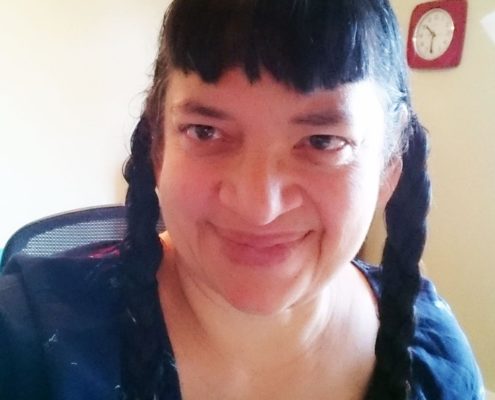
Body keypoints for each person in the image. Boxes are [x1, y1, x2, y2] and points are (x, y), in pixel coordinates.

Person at [0, 0, 485, 399]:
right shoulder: (28, 341)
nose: (259, 206)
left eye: (322, 141)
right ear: (159, 146)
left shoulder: (435, 356)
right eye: (205, 131)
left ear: (390, 166)